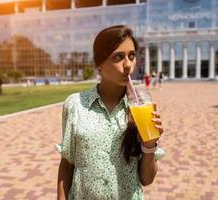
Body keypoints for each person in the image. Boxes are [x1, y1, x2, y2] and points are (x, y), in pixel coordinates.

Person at [56, 25, 165, 200]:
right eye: (118, 57)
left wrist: (150, 145)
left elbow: (147, 179)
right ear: (99, 63)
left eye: (132, 56)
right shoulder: (75, 104)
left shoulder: (142, 108)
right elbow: (67, 163)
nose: (128, 65)